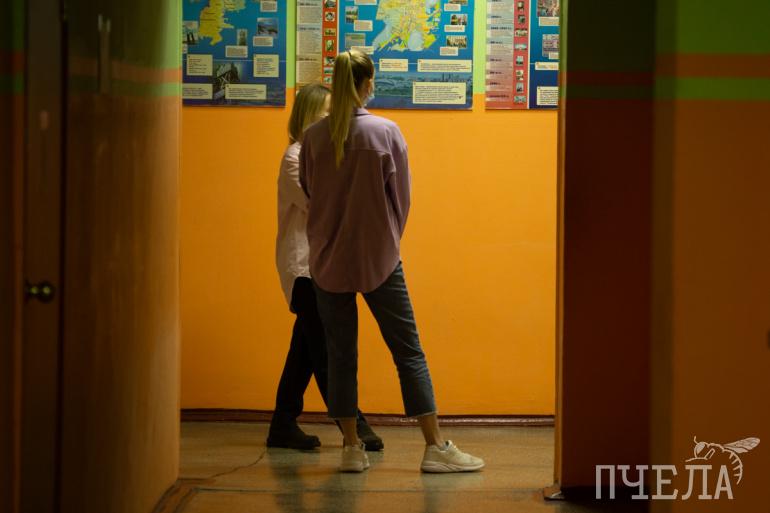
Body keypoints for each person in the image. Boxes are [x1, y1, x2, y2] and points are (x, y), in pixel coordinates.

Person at [299, 50, 485, 473]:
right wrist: (387, 239)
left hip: (327, 260)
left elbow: (310, 190)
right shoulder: (386, 132)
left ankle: (351, 447)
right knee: (408, 352)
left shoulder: (313, 138)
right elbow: (402, 199)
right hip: (379, 259)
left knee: (340, 355)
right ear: (368, 84)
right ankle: (434, 446)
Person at [269, 83, 383, 451]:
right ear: (306, 118)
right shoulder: (295, 157)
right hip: (304, 266)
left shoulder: (326, 157)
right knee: (324, 348)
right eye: (325, 115)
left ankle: (283, 423)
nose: (334, 122)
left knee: (305, 347)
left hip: (325, 264)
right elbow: (321, 205)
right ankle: (353, 422)